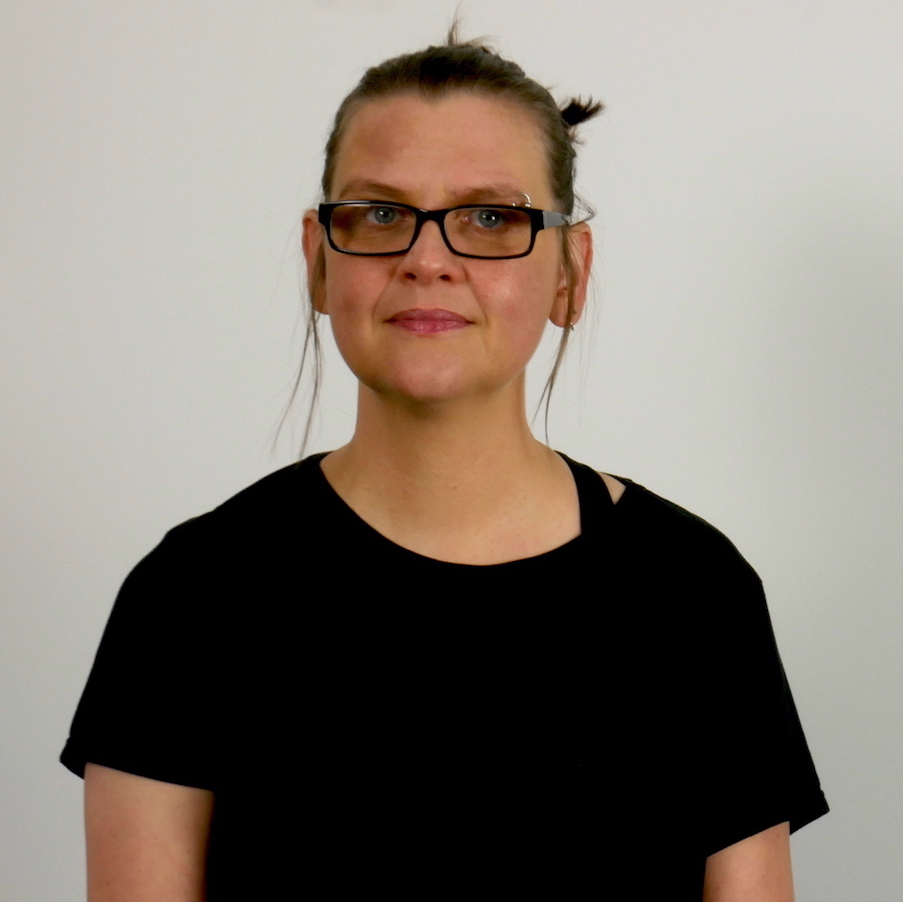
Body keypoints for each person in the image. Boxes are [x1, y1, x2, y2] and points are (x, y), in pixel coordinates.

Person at [61, 28, 828, 902]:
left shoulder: (694, 591)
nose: (428, 260)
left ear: (570, 272)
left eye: (491, 218)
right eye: (381, 214)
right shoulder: (191, 597)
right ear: (318, 260)